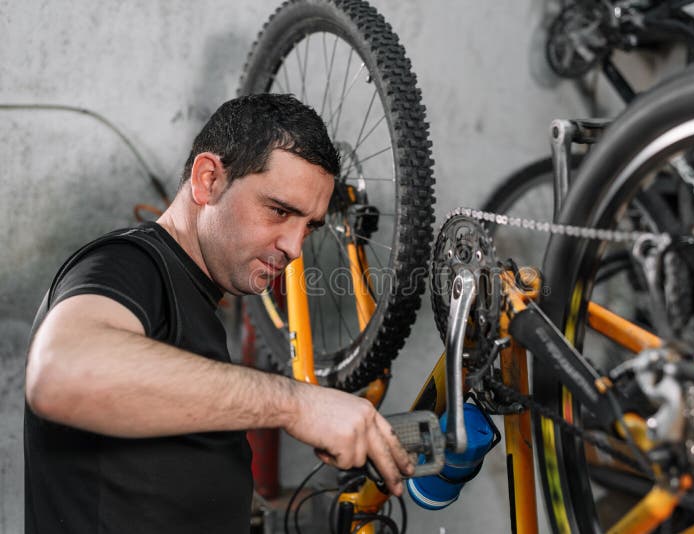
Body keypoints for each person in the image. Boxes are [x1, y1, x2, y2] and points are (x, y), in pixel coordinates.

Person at [24, 93, 414, 534]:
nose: (294, 246)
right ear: (208, 180)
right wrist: (295, 405)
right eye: (279, 210)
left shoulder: (195, 302)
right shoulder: (132, 263)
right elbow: (62, 372)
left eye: (309, 226)